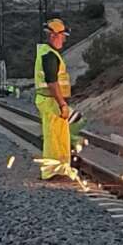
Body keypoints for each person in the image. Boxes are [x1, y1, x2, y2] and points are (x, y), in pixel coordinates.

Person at [34, 18, 73, 180]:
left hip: (51, 101)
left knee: (60, 138)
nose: (64, 39)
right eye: (62, 35)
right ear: (53, 36)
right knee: (53, 139)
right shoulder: (49, 56)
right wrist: (62, 103)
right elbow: (52, 82)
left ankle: (61, 170)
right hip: (52, 101)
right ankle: (52, 172)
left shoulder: (48, 53)